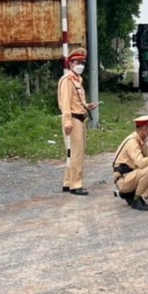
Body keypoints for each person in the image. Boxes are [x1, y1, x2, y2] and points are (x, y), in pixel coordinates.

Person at [57, 47, 97, 195]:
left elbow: (76, 101)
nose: (81, 65)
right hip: (73, 120)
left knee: (72, 152)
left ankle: (68, 182)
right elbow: (65, 103)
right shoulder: (67, 80)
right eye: (78, 62)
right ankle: (76, 185)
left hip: (80, 118)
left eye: (82, 62)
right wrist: (67, 121)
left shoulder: (78, 79)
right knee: (76, 154)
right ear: (71, 63)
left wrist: (87, 106)